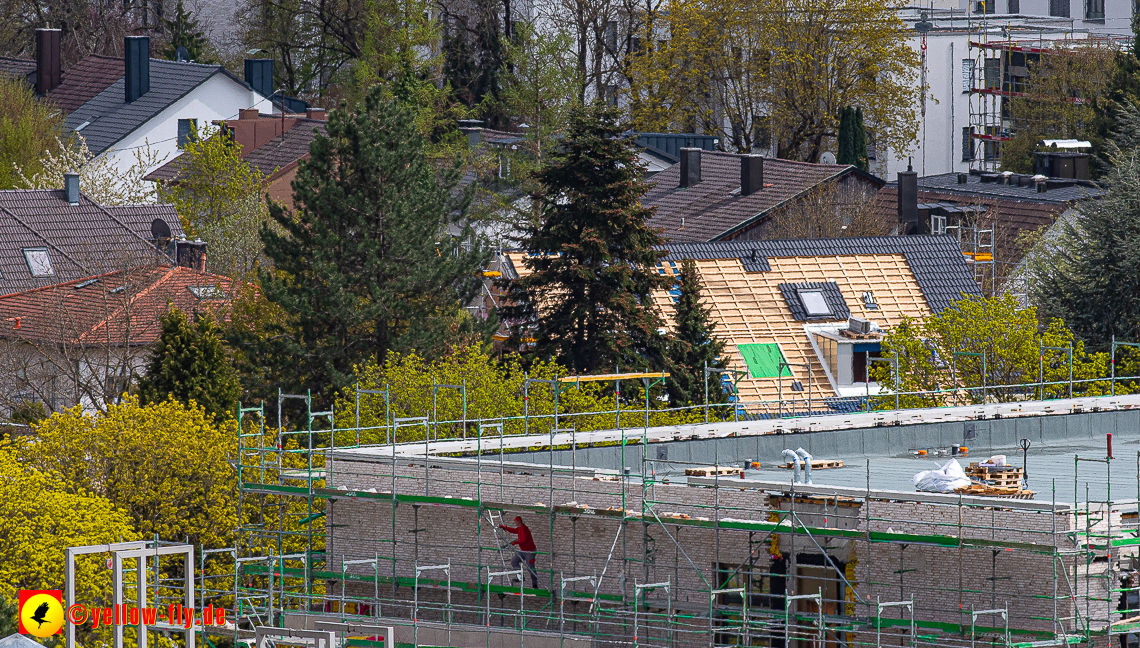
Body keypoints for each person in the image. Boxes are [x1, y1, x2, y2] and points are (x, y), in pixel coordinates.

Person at [500, 515, 539, 588]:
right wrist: (504, 527)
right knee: (514, 561)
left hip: (530, 551)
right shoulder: (520, 528)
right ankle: (520, 577)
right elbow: (514, 530)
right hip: (523, 551)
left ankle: (534, 584)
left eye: (516, 522)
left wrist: (514, 543)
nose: (515, 524)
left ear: (519, 522)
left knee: (530, 567)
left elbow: (523, 539)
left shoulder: (524, 529)